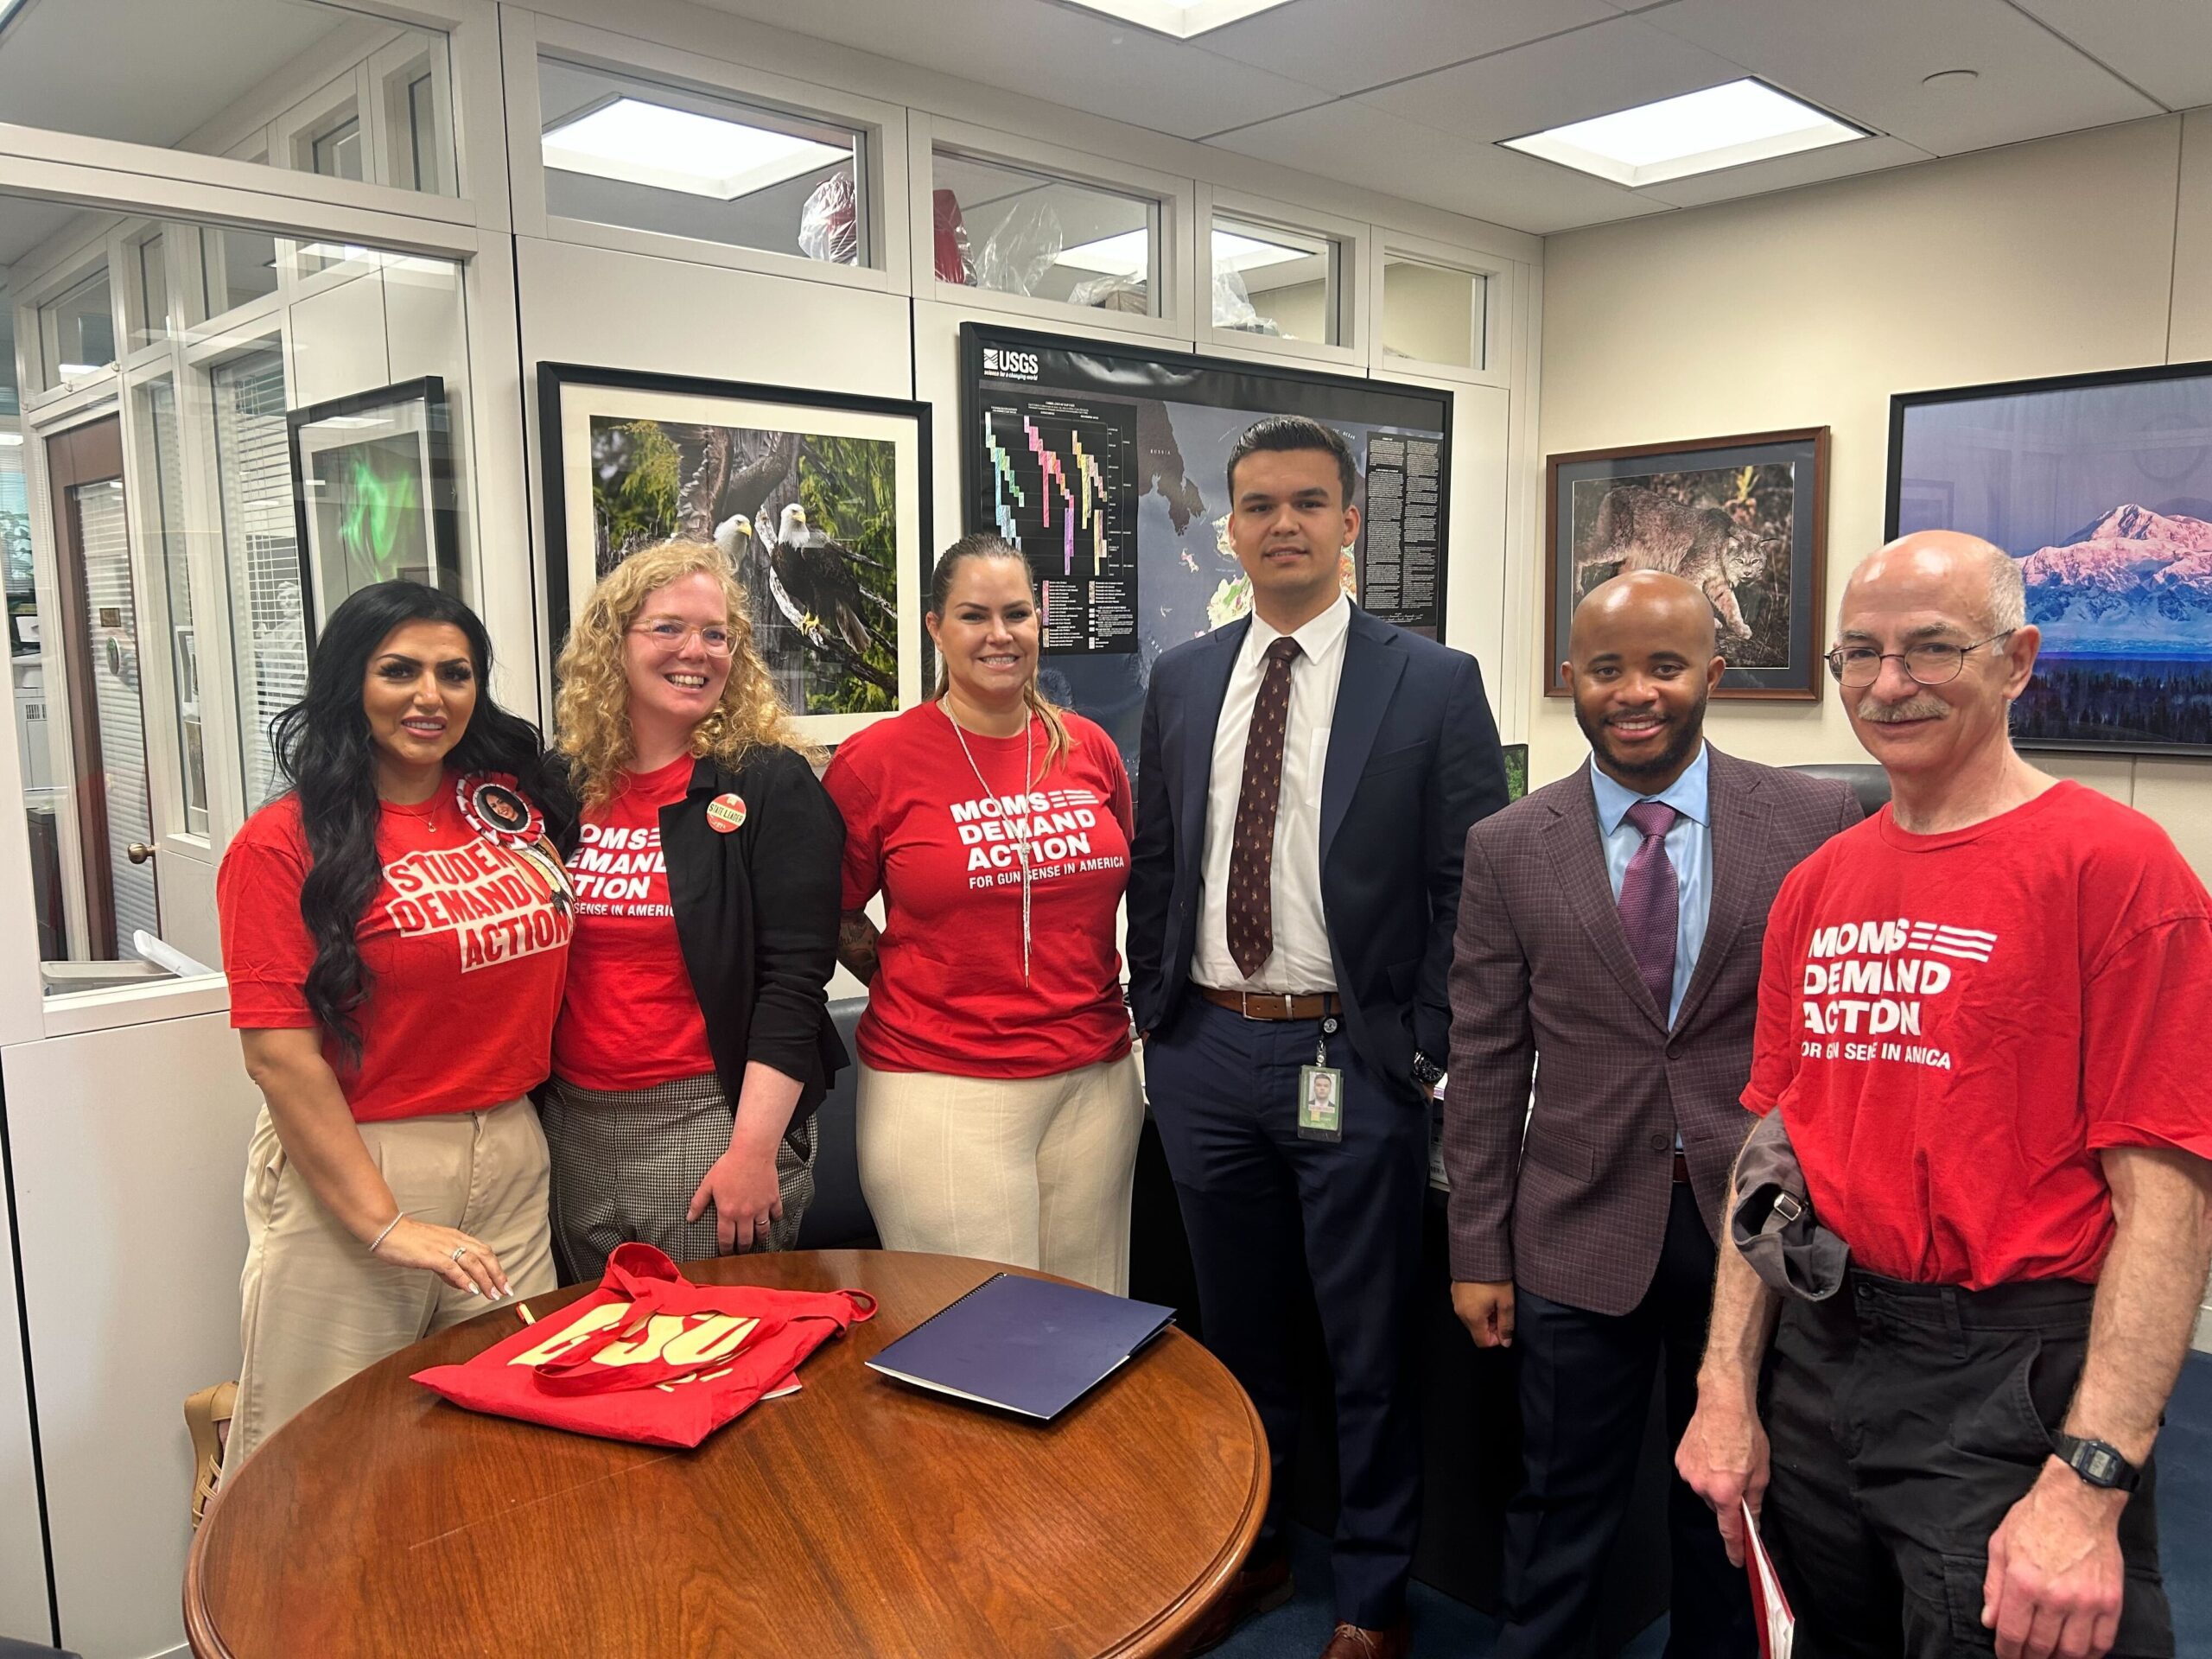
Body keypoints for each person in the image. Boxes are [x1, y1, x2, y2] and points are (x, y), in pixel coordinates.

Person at [1677, 531, 2212, 1659]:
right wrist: (1726, 1385)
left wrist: (2090, 1482)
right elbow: (1771, 1156)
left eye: (1931, 649)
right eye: (1860, 655)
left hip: (2013, 1378)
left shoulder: (2115, 868)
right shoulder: (1819, 886)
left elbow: (2168, 1202)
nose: (1889, 684)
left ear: (2017, 660)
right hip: (1826, 1356)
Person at [1128, 415, 1510, 1659]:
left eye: (1306, 502)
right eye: (1257, 505)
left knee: (1363, 1339)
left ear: (1352, 522)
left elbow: (1469, 879)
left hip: (1350, 1059)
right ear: (1228, 528)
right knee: (1235, 1337)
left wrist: (1427, 1046)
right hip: (1204, 1060)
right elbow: (1161, 859)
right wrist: (1155, 1021)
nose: (1281, 524)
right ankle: (1264, 1540)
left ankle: (1373, 1587)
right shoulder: (1184, 679)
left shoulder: (1431, 682)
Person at [1444, 571, 1859, 1659]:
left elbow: (1832, 1038)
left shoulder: (1814, 820)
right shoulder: (1508, 845)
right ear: (1569, 678)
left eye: (1666, 666)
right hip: (1576, 1227)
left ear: (1712, 676)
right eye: (1608, 668)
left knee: (1732, 1504)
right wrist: (1476, 1248)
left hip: (1753, 1230)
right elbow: (1485, 1059)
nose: (1636, 692)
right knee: (1558, 1504)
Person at [215, 581, 577, 1469]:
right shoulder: (282, 843)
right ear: (351, 683)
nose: (430, 696)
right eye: (399, 671)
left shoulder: (506, 807)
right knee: (323, 1452)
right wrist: (383, 1224)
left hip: (510, 1142)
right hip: (364, 1155)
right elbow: (280, 1058)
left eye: (455, 674)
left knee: (500, 1428)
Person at [824, 533, 1142, 1294]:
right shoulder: (879, 759)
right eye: (974, 615)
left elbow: (1129, 874)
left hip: (1095, 1082)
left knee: (1092, 1335)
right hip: (945, 1089)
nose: (1000, 635)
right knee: (975, 1350)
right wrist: (903, 973)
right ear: (935, 626)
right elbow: (829, 910)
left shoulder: (1088, 748)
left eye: (1017, 613)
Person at [543, 540, 846, 1281]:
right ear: (612, 644)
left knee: (712, 1365)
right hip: (570, 1126)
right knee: (605, 1364)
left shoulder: (770, 784)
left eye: (717, 635)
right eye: (668, 628)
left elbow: (794, 984)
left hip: (708, 1118)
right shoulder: (562, 785)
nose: (697, 651)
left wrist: (752, 1151)